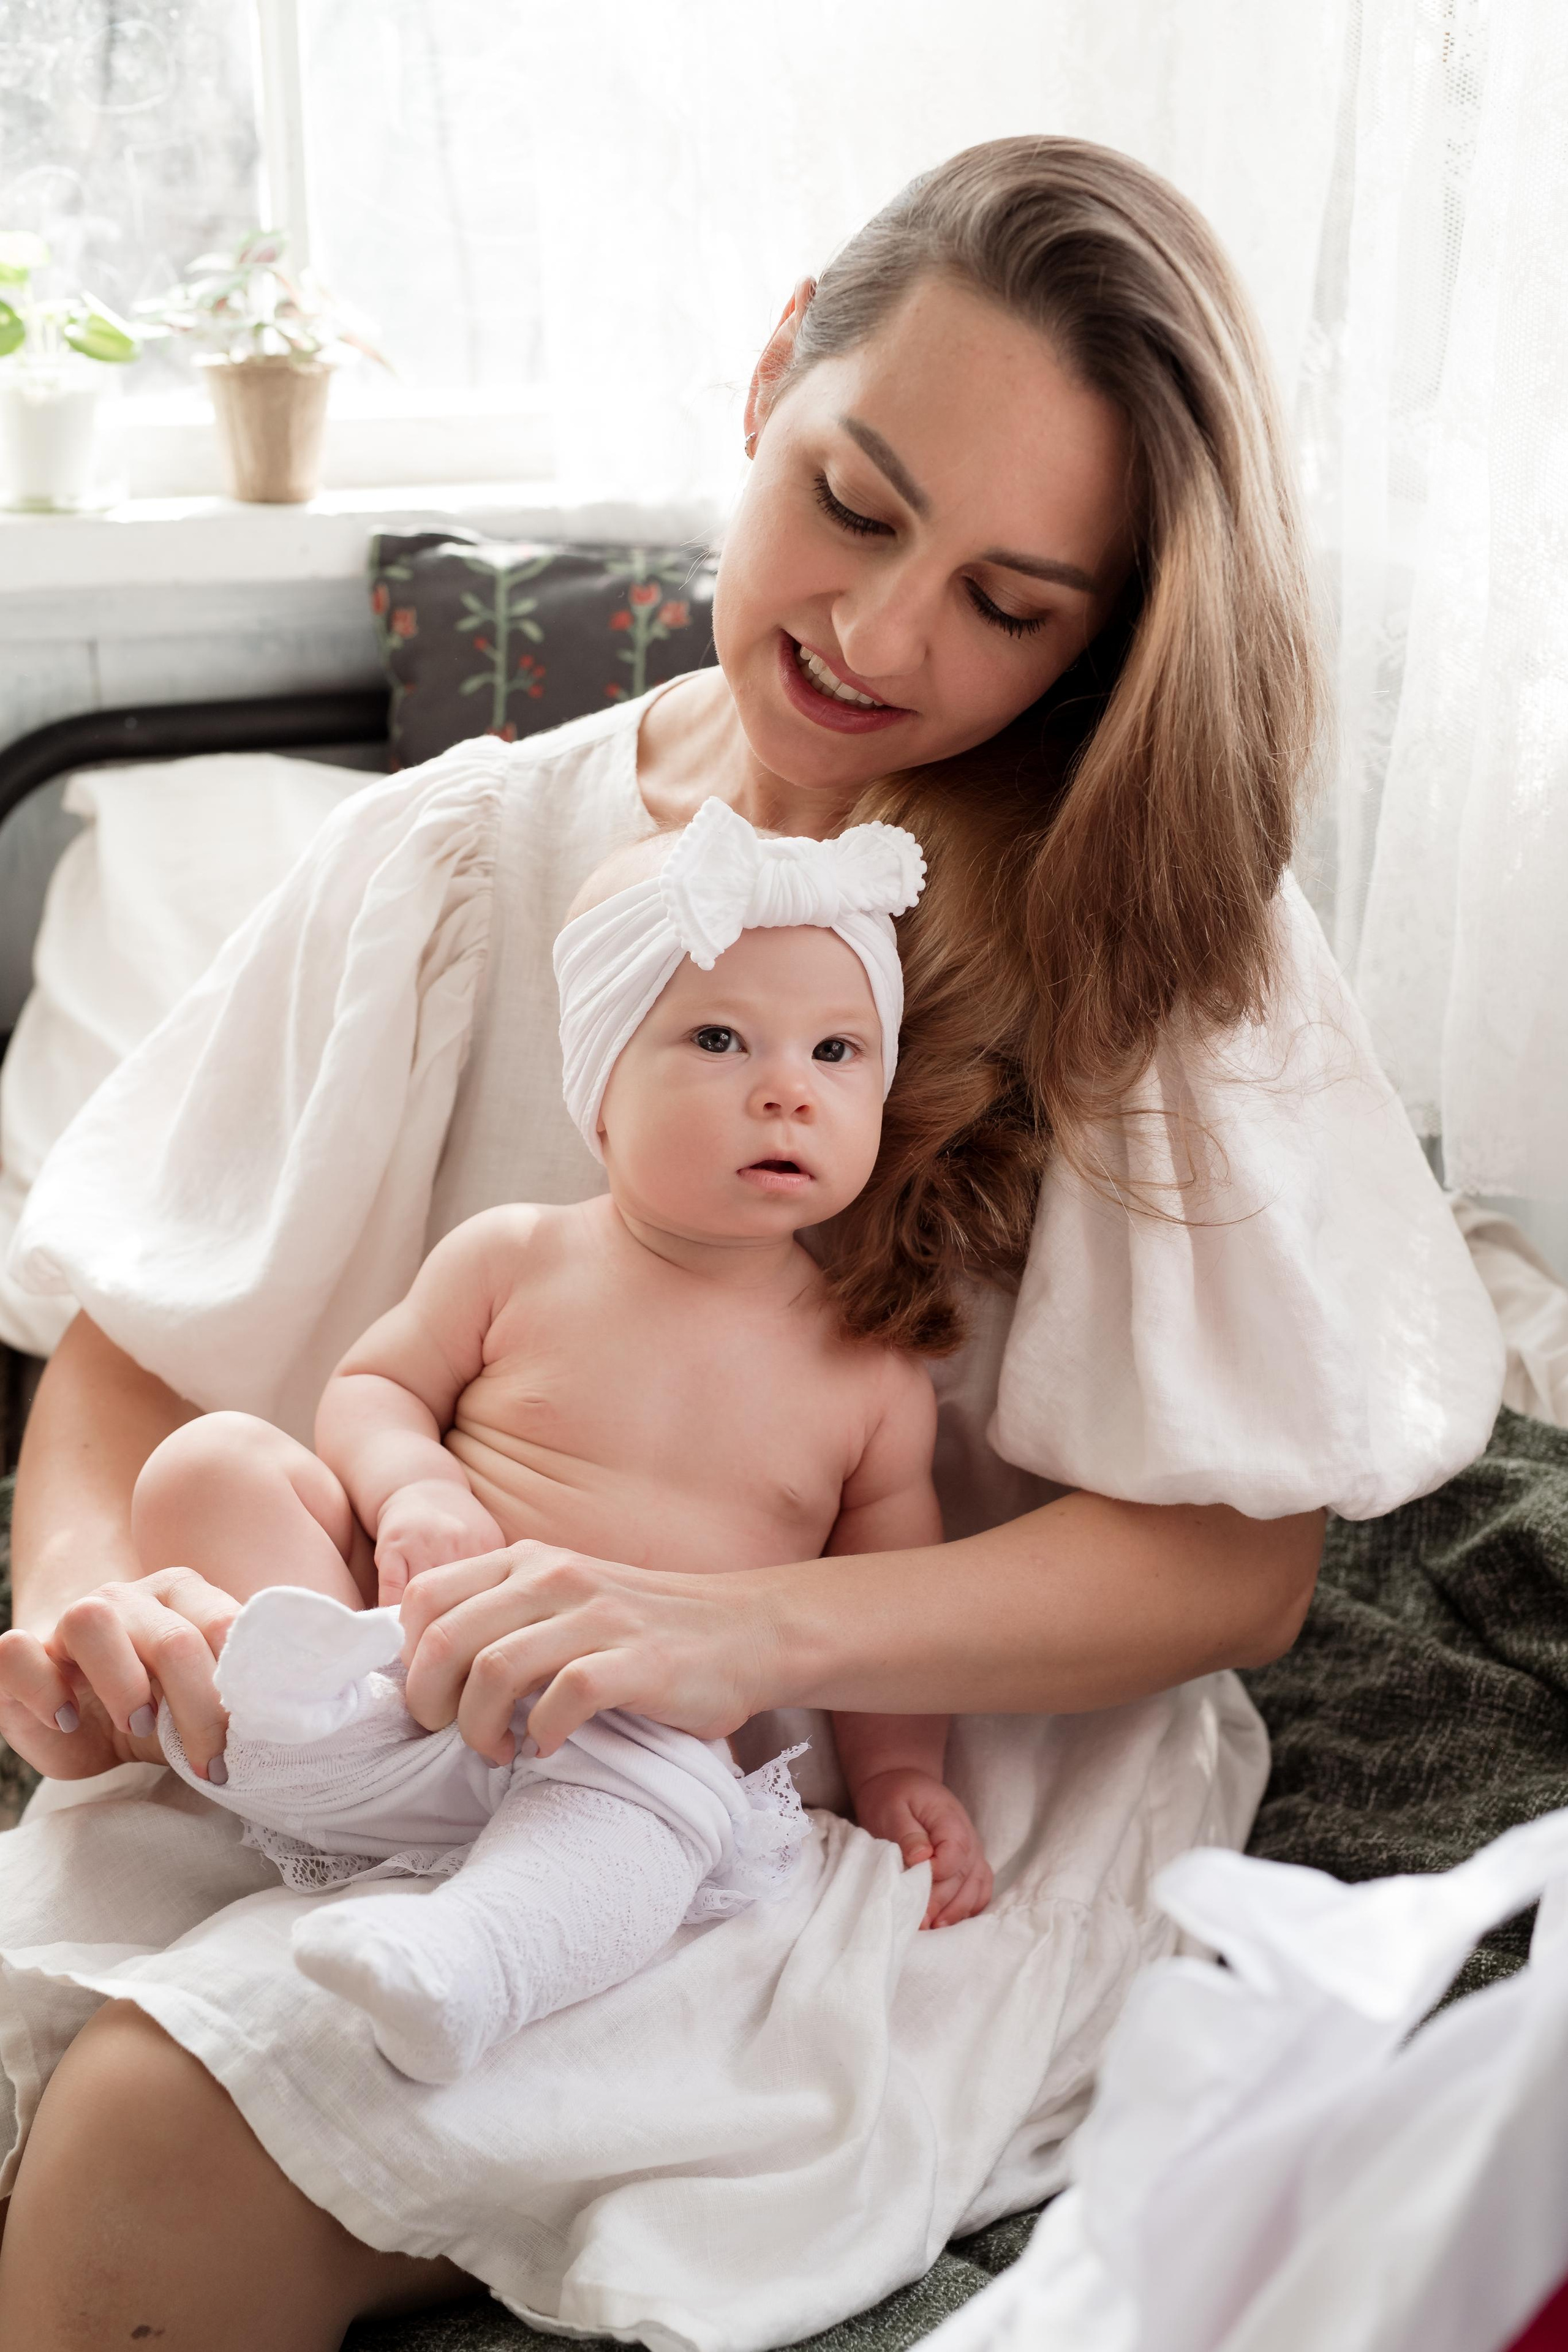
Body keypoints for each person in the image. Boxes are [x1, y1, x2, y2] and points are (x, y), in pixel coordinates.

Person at [0, 139, 1501, 2351]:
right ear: (772, 367)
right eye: (859, 502)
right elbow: (132, 1359)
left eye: (1014, 603)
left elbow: (1237, 1569)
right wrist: (78, 1611)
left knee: (163, 2116)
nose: (881, 638)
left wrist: (726, 1634)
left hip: (868, 1800)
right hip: (415, 1705)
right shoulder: (449, 864)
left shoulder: (1157, 943)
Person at [135, 801, 990, 2086]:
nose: (785, 1090)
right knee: (206, 1465)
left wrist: (897, 1775)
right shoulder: (515, 1254)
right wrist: (414, 1482)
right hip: (394, 1682)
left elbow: (886, 1611)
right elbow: (370, 1387)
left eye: (836, 1051)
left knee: (674, 1808)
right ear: (597, 1089)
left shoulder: (869, 1375)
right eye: (717, 1038)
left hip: (620, 1733)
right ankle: (273, 1730)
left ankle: (469, 1960)